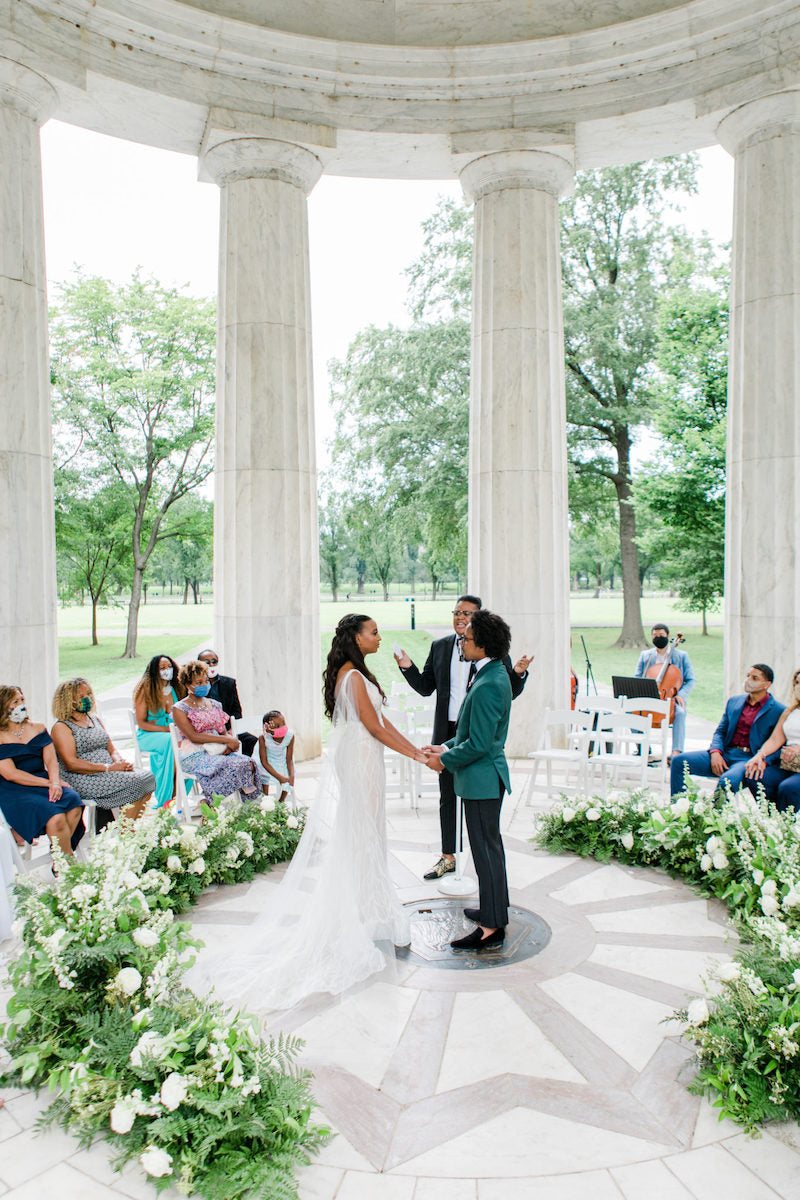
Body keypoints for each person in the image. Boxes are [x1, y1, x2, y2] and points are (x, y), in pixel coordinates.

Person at [189, 614, 426, 1011]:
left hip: (365, 753)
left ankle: (370, 908)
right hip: (362, 756)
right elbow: (376, 728)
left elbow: (382, 723)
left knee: (367, 832)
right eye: (373, 632)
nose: (379, 637)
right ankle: (363, 914)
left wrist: (417, 750)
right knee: (363, 831)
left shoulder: (354, 673)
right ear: (355, 638)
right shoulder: (350, 677)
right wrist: (418, 754)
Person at [394, 593, 531, 881]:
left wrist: (518, 674)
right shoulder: (441, 647)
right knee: (447, 796)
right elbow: (425, 687)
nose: (459, 617)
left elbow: (505, 694)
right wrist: (407, 667)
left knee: (476, 804)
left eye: (467, 613)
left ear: (479, 621)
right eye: (456, 612)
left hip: (476, 731)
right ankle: (448, 857)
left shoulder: (491, 652)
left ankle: (482, 862)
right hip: (448, 731)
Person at [423, 610, 514, 951]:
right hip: (480, 778)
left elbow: (479, 744)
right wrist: (443, 745)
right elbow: (470, 731)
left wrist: (442, 761)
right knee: (489, 850)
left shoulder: (491, 682)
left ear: (484, 644)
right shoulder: (488, 672)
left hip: (483, 780)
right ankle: (494, 910)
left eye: (468, 638)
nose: (462, 641)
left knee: (486, 853)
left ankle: (491, 928)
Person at [51, 678, 155, 825]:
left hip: (109, 770)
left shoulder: (94, 719)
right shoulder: (62, 727)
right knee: (136, 782)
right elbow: (71, 763)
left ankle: (126, 828)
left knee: (147, 778)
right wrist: (107, 768)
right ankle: (125, 832)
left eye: (88, 694)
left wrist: (119, 761)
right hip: (83, 777)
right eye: (81, 697)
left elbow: (111, 748)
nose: (87, 698)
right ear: (67, 701)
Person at [670, 664, 784, 797]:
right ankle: (677, 808)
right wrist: (715, 752)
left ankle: (714, 816)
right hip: (725, 753)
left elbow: (778, 745)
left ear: (767, 684)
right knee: (678, 762)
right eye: (748, 676)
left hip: (747, 759)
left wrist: (762, 761)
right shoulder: (734, 702)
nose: (748, 680)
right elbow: (720, 732)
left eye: (755, 678)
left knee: (727, 782)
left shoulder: (778, 710)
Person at [0, 684, 84, 863]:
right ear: (4, 706)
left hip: (45, 779)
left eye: (22, 699)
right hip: (15, 789)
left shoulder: (37, 728)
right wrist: (49, 784)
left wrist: (55, 780)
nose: (21, 704)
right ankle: (66, 863)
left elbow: (51, 760)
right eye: (15, 701)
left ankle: (59, 859)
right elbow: (11, 774)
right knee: (55, 817)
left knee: (73, 801)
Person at [172, 661, 260, 802]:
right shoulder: (180, 708)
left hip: (218, 750)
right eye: (199, 682)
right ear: (188, 685)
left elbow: (222, 731)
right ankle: (210, 801)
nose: (204, 685)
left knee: (249, 763)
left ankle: (240, 804)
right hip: (195, 754)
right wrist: (226, 740)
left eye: (206, 681)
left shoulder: (214, 704)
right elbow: (193, 737)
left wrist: (229, 744)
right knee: (232, 766)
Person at [744, 666, 800, 811]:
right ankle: (771, 819)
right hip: (789, 764)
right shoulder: (790, 712)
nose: (799, 687)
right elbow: (775, 739)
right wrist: (759, 756)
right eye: (797, 683)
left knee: (788, 787)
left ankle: (786, 827)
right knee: (754, 776)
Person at [634, 624, 695, 756]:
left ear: (668, 636)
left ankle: (676, 752)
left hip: (671, 698)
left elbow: (690, 680)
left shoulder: (681, 656)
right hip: (649, 696)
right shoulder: (646, 655)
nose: (658, 638)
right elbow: (637, 677)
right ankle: (642, 748)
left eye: (661, 635)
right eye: (655, 636)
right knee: (631, 711)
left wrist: (681, 695)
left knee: (680, 713)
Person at [133, 655, 185, 808]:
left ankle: (176, 796)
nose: (166, 670)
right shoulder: (145, 689)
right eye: (162, 668)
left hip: (173, 733)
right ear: (155, 671)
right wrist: (166, 730)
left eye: (168, 666)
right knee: (171, 741)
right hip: (149, 735)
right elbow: (142, 723)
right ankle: (166, 796)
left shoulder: (177, 687)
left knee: (186, 744)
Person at [196, 648, 256, 756]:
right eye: (207, 662)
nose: (211, 664)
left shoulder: (229, 683)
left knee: (253, 742)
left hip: (228, 728)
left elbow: (237, 710)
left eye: (214, 661)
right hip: (208, 733)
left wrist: (231, 729)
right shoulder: (197, 686)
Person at [252, 710, 295, 802]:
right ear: (267, 728)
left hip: (282, 759)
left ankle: (281, 801)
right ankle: (265, 800)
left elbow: (289, 759)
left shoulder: (290, 736)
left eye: (284, 723)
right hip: (267, 762)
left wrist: (291, 775)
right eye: (277, 726)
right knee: (263, 774)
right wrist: (279, 778)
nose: (282, 727)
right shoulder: (263, 738)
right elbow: (264, 762)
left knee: (286, 774)